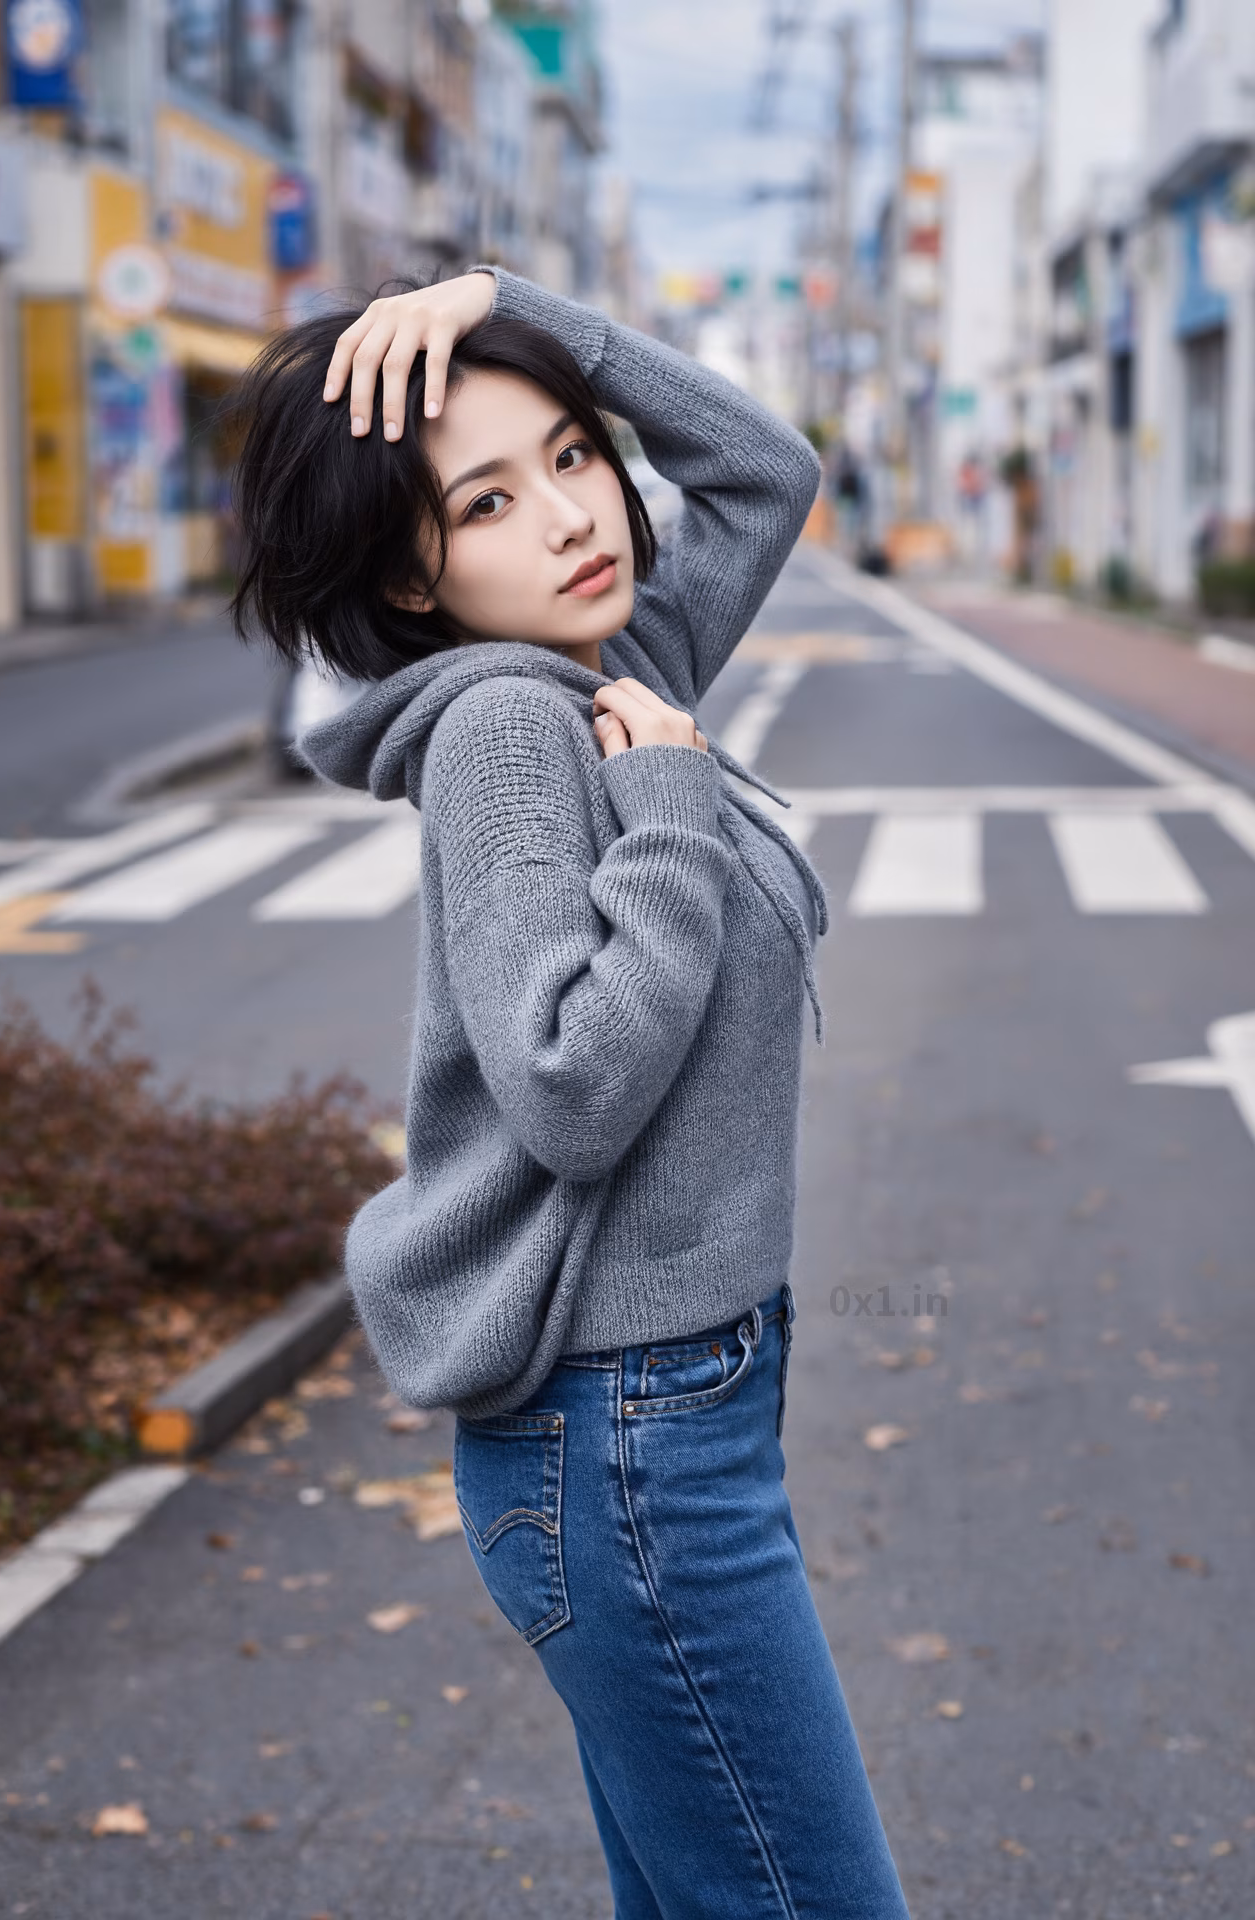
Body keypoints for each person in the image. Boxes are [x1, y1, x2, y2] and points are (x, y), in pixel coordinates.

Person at [230, 266, 911, 1919]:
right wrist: (674, 811)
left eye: (572, 454)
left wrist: (512, 305)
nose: (568, 514)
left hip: (677, 1425)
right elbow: (569, 1086)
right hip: (628, 1451)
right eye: (487, 497)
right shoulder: (509, 734)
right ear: (412, 569)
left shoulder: (614, 659)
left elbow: (768, 471)